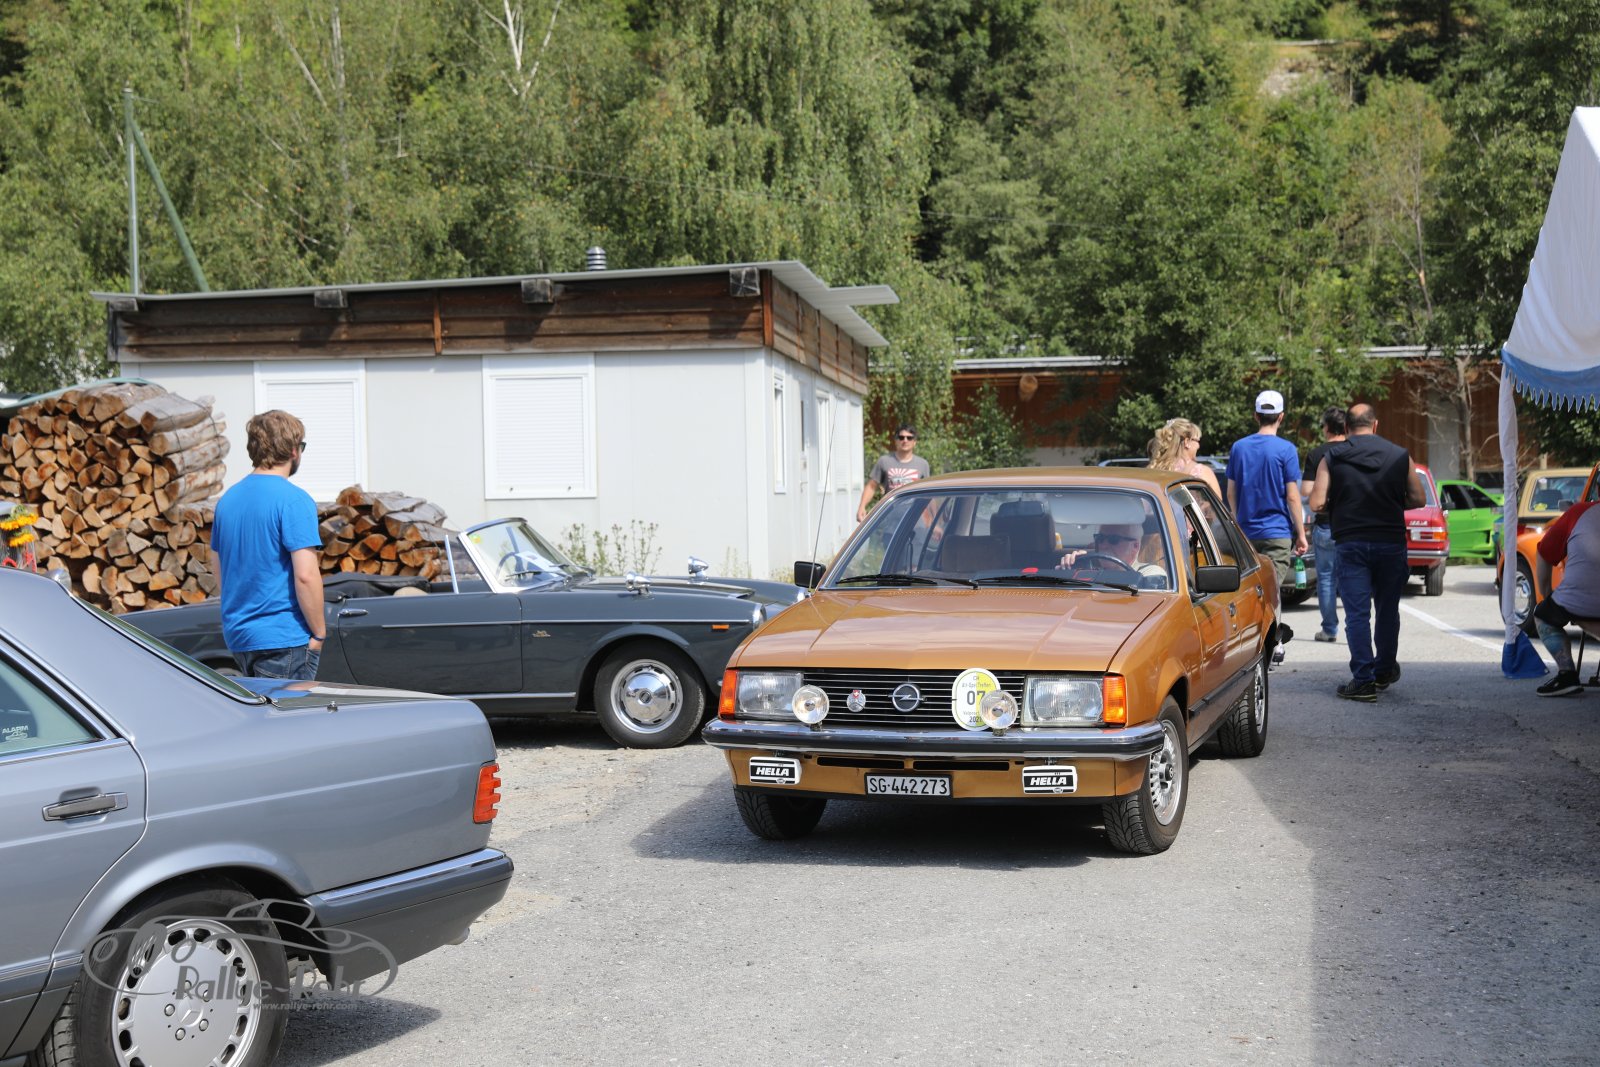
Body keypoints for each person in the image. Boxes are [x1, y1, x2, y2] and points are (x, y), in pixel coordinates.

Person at [1308, 403, 1424, 701]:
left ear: (1346, 428)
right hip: (1391, 541)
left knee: (1357, 614)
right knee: (1387, 609)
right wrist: (1389, 502)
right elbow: (1418, 498)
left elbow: (1316, 503)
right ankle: (1384, 670)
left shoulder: (1332, 456)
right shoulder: (1400, 455)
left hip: (1351, 542)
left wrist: (1344, 503)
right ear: (1375, 425)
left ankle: (1363, 680)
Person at [211, 410, 325, 679]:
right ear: (294, 450)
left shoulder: (228, 500)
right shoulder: (294, 500)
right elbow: (306, 575)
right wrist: (319, 633)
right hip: (284, 636)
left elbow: (218, 566)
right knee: (287, 709)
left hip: (240, 636)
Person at [1226, 390, 1308, 590]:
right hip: (1277, 534)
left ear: (1256, 416)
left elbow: (1230, 492)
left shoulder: (1239, 447)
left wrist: (1238, 524)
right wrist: (1301, 534)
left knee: (1249, 594)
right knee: (1270, 594)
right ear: (1281, 417)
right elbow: (1292, 497)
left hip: (1246, 535)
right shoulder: (1287, 449)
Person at [1529, 498, 1600, 696]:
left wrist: (1547, 596)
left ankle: (1567, 675)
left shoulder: (1578, 512)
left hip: (1580, 605)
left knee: (1543, 616)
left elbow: (1544, 552)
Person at [1301, 407, 1348, 643]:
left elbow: (1306, 490)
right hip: (1351, 525)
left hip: (1326, 524)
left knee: (1327, 578)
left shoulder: (1317, 454)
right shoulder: (1354, 450)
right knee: (1352, 577)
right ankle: (1355, 627)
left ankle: (1329, 629)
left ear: (1327, 427)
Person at [857, 424, 930, 522]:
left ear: (914, 442)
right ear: (896, 441)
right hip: (890, 521)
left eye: (909, 438)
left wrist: (932, 520)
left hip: (915, 521)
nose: (905, 440)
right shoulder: (884, 461)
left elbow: (928, 494)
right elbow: (871, 486)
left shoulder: (923, 464)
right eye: (901, 437)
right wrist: (862, 506)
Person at [1061, 523, 1167, 585]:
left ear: (1135, 546)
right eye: (1100, 538)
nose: (1103, 545)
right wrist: (1072, 571)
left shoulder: (1150, 573)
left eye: (1114, 539)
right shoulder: (1091, 568)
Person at [1148, 417, 1222, 497]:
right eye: (1197, 440)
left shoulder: (1153, 471)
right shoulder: (1202, 472)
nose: (1198, 446)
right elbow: (1217, 503)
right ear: (1187, 442)